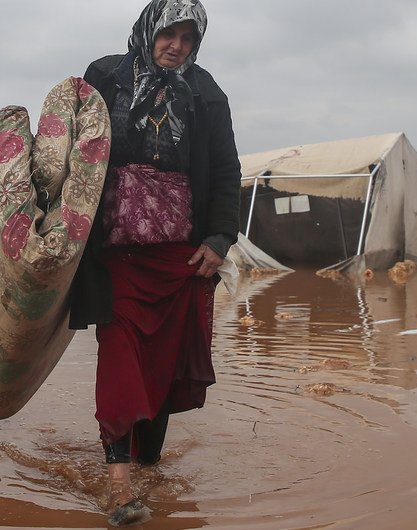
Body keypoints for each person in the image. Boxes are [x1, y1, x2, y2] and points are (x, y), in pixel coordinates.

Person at [69, 0, 240, 525]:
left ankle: (149, 465)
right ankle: (118, 480)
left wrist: (219, 238)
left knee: (164, 366)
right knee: (120, 350)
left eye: (189, 39)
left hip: (180, 256)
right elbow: (73, 150)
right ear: (149, 30)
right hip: (116, 252)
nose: (178, 47)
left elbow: (225, 169)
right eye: (171, 35)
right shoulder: (105, 76)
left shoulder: (207, 93)